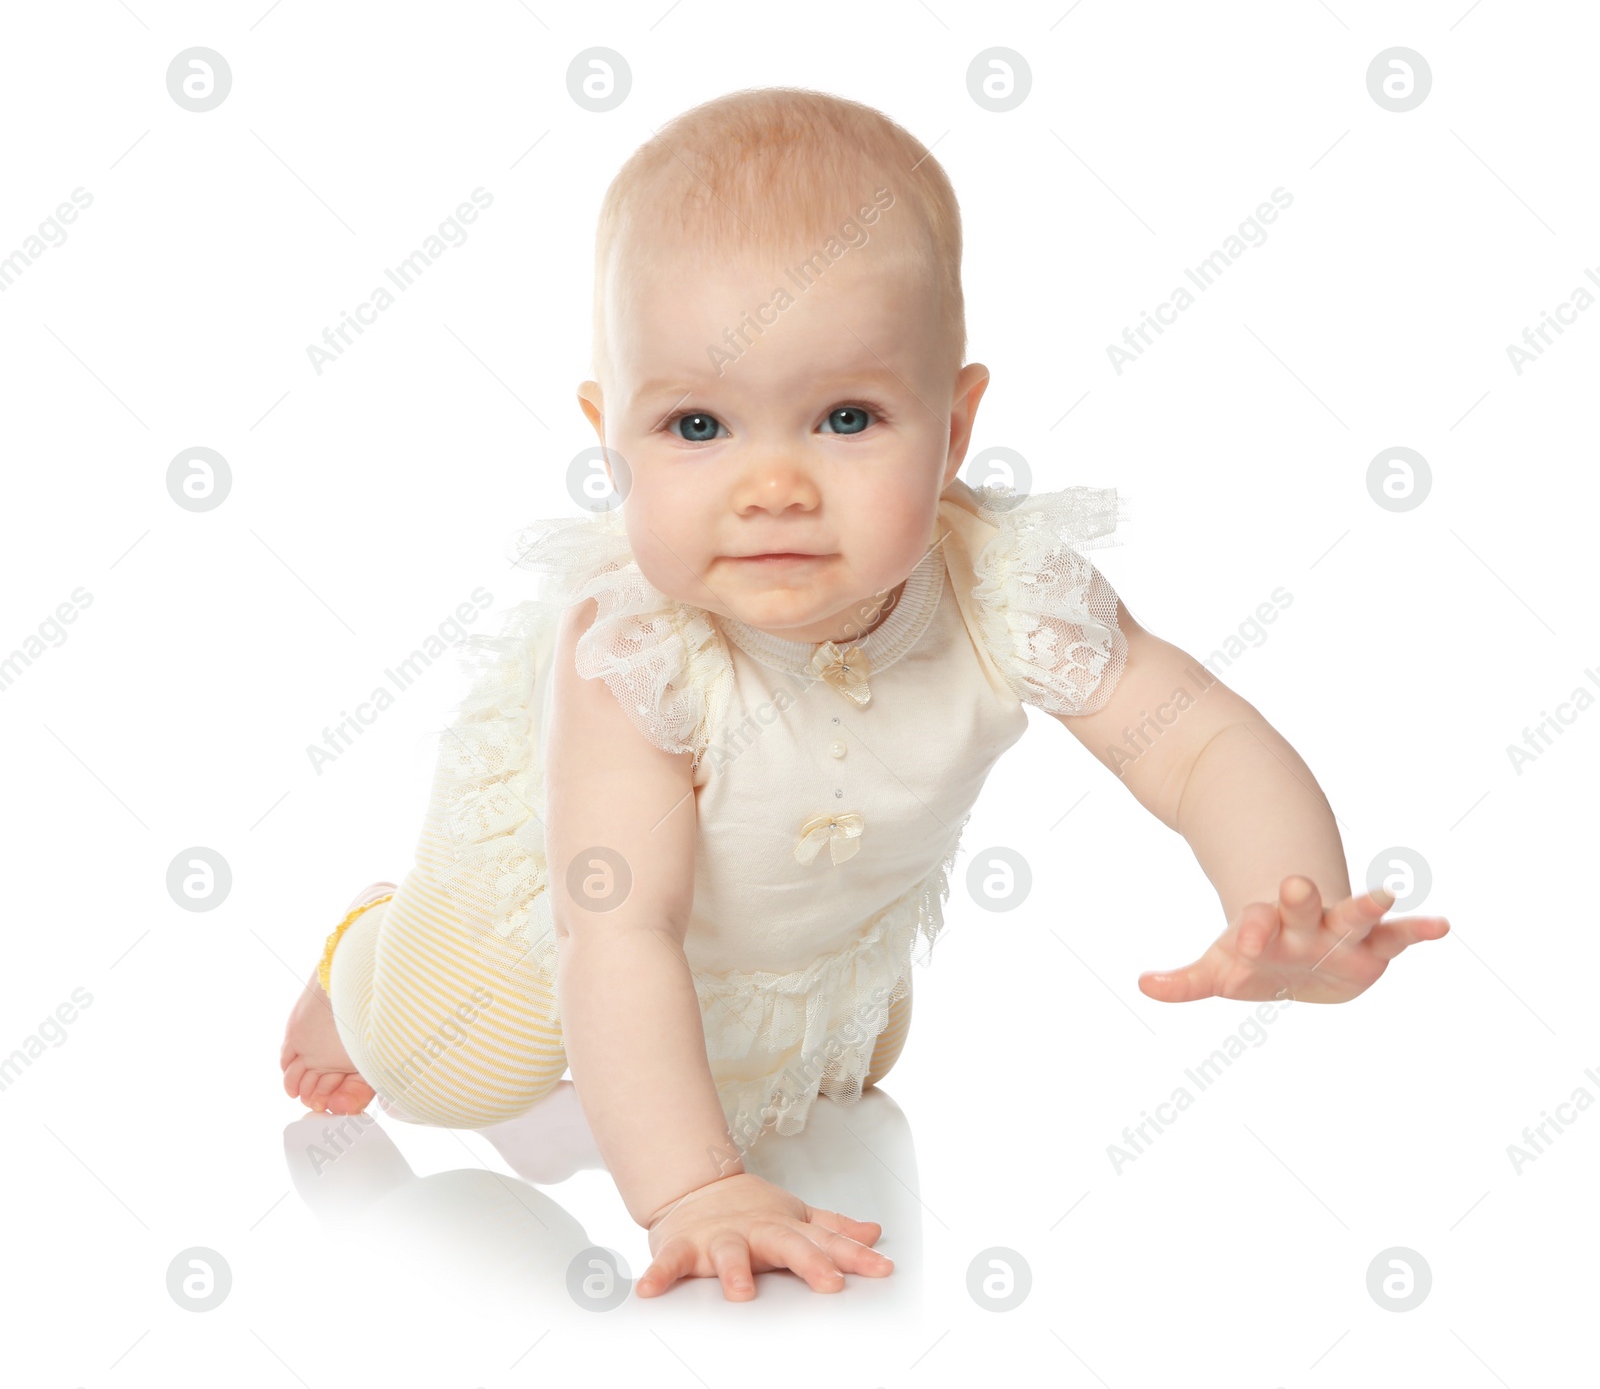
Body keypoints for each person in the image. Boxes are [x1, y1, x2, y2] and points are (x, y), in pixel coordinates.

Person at [280, 85, 1450, 1302]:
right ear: (609, 435)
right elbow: (617, 932)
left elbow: (1199, 741)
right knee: (453, 1064)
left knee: (843, 1063)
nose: (774, 482)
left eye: (846, 417)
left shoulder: (1005, 588)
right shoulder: (636, 657)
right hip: (558, 919)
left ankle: (708, 1058)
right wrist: (693, 1191)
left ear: (953, 428)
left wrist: (1287, 900)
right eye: (696, 423)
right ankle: (366, 944)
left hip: (816, 931)